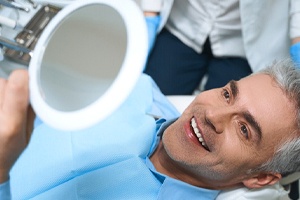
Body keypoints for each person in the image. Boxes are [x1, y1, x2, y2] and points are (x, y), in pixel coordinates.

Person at [0, 59, 299, 199]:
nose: (213, 115)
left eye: (244, 129)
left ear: (261, 177)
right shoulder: (134, 88)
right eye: (227, 94)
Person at [143, 0, 300, 95]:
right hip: (184, 25)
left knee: (225, 126)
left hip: (241, 44)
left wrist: (297, 41)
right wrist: (149, 13)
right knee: (150, 102)